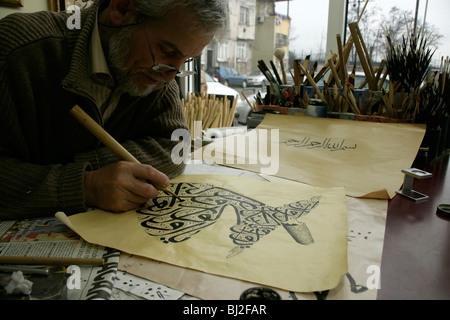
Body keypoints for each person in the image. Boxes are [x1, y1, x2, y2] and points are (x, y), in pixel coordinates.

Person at [0, 0, 228, 220]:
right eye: (167, 50)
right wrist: (85, 185)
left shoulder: (156, 73)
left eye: (186, 60)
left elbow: (175, 146)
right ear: (122, 8)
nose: (170, 76)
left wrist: (98, 170)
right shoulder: (16, 48)